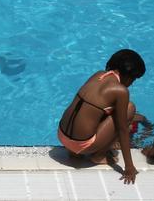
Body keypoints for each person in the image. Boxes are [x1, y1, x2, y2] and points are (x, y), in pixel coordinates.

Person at [56, 49, 146, 182]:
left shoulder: (98, 75)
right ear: (128, 76)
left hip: (62, 135)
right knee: (129, 109)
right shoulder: (121, 90)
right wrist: (129, 166)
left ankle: (74, 153)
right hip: (81, 145)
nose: (132, 83)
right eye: (134, 79)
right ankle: (99, 155)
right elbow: (122, 130)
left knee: (93, 109)